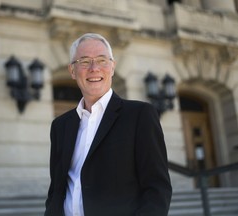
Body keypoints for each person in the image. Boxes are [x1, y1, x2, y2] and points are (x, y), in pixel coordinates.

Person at [44, 33, 172, 216]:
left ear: (112, 67)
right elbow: (56, 192)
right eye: (85, 61)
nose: (94, 68)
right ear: (72, 70)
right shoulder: (60, 126)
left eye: (102, 60)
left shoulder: (140, 115)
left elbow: (157, 189)